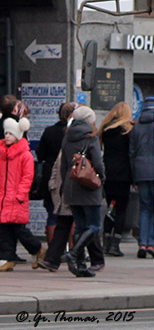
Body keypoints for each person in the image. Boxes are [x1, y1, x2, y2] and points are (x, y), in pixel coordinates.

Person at [61, 105, 106, 276]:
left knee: (80, 226)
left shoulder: (67, 136)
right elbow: (98, 162)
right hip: (88, 186)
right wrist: (102, 178)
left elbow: (64, 164)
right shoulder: (90, 137)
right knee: (94, 225)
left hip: (70, 185)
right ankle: (73, 254)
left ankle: (80, 265)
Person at [35, 102, 76, 252]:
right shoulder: (73, 133)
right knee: (71, 215)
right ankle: (73, 248)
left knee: (52, 212)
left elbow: (40, 154)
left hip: (50, 174)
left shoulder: (49, 131)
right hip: (69, 174)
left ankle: (53, 250)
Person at [1, 116, 40, 272]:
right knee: (4, 230)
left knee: (19, 230)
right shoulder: (2, 154)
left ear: (18, 135)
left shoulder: (25, 155)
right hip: (3, 198)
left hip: (17, 198)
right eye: (5, 134)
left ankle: (37, 249)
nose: (7, 136)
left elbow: (27, 177)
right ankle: (7, 258)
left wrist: (21, 194)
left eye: (10, 134)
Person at [99, 103, 135, 257]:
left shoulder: (105, 130)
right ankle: (115, 244)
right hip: (123, 175)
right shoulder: (127, 131)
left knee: (110, 207)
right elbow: (130, 154)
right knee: (121, 209)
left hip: (108, 173)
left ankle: (106, 241)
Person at [129, 97, 154, 258]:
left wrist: (134, 178)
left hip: (140, 171)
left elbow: (131, 153)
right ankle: (152, 243)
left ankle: (142, 242)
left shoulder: (136, 128)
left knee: (144, 208)